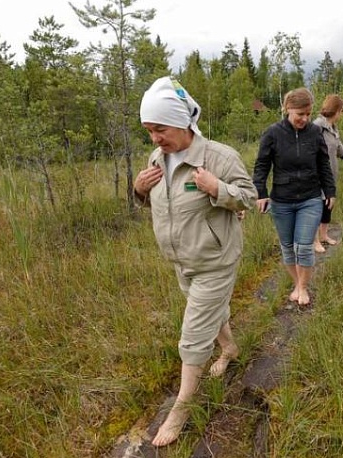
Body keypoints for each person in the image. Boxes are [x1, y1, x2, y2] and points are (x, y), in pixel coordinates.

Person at [133, 76, 257, 447]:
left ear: (182, 123)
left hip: (215, 259)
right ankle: (230, 349)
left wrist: (217, 189)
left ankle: (181, 408)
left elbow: (249, 197)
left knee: (192, 335)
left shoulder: (218, 156)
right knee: (210, 313)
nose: (154, 137)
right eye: (148, 130)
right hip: (182, 260)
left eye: (160, 128)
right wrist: (138, 191)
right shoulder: (158, 157)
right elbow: (160, 203)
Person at [252, 87, 336, 306]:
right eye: (300, 114)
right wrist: (261, 193)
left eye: (308, 114)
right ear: (288, 109)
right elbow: (262, 165)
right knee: (288, 246)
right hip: (282, 200)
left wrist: (330, 190)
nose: (305, 119)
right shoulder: (272, 133)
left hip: (310, 198)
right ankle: (297, 283)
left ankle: (304, 287)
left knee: (304, 245)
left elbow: (323, 164)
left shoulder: (315, 133)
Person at [312, 94, 343, 253]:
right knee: (317, 206)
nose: (342, 115)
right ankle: (314, 240)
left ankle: (324, 235)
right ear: (337, 110)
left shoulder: (333, 128)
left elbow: (338, 147)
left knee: (328, 205)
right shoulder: (317, 126)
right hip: (317, 175)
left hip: (330, 174)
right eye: (342, 111)